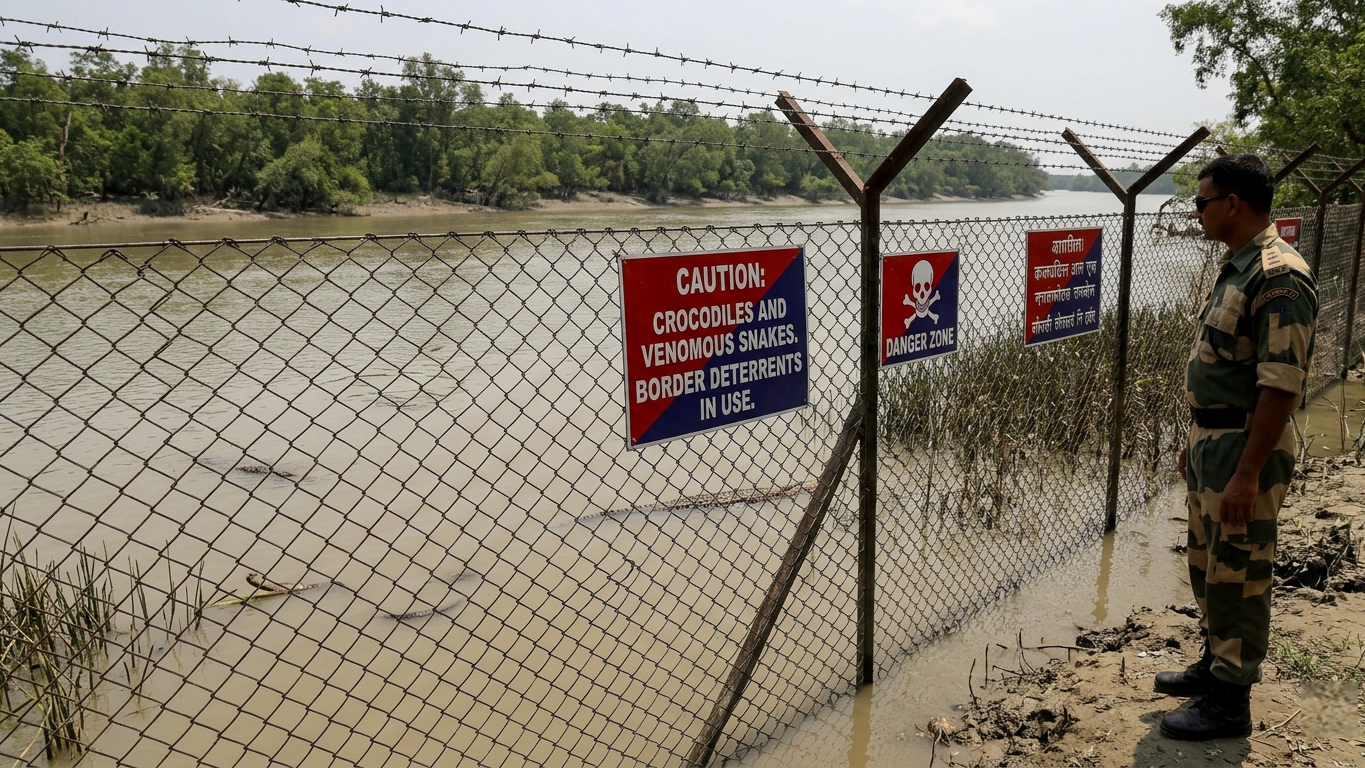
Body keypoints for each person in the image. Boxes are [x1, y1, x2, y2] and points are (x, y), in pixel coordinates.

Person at [1156, 152, 1318, 741]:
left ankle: (1231, 703)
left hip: (1245, 448)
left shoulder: (1278, 276)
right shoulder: (1239, 266)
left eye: (1201, 202)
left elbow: (1280, 386)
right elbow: (1225, 369)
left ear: (1233, 204)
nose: (1196, 212)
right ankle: (1214, 664)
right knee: (1208, 565)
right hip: (1214, 441)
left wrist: (1247, 474)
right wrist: (1195, 441)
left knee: (1240, 572)